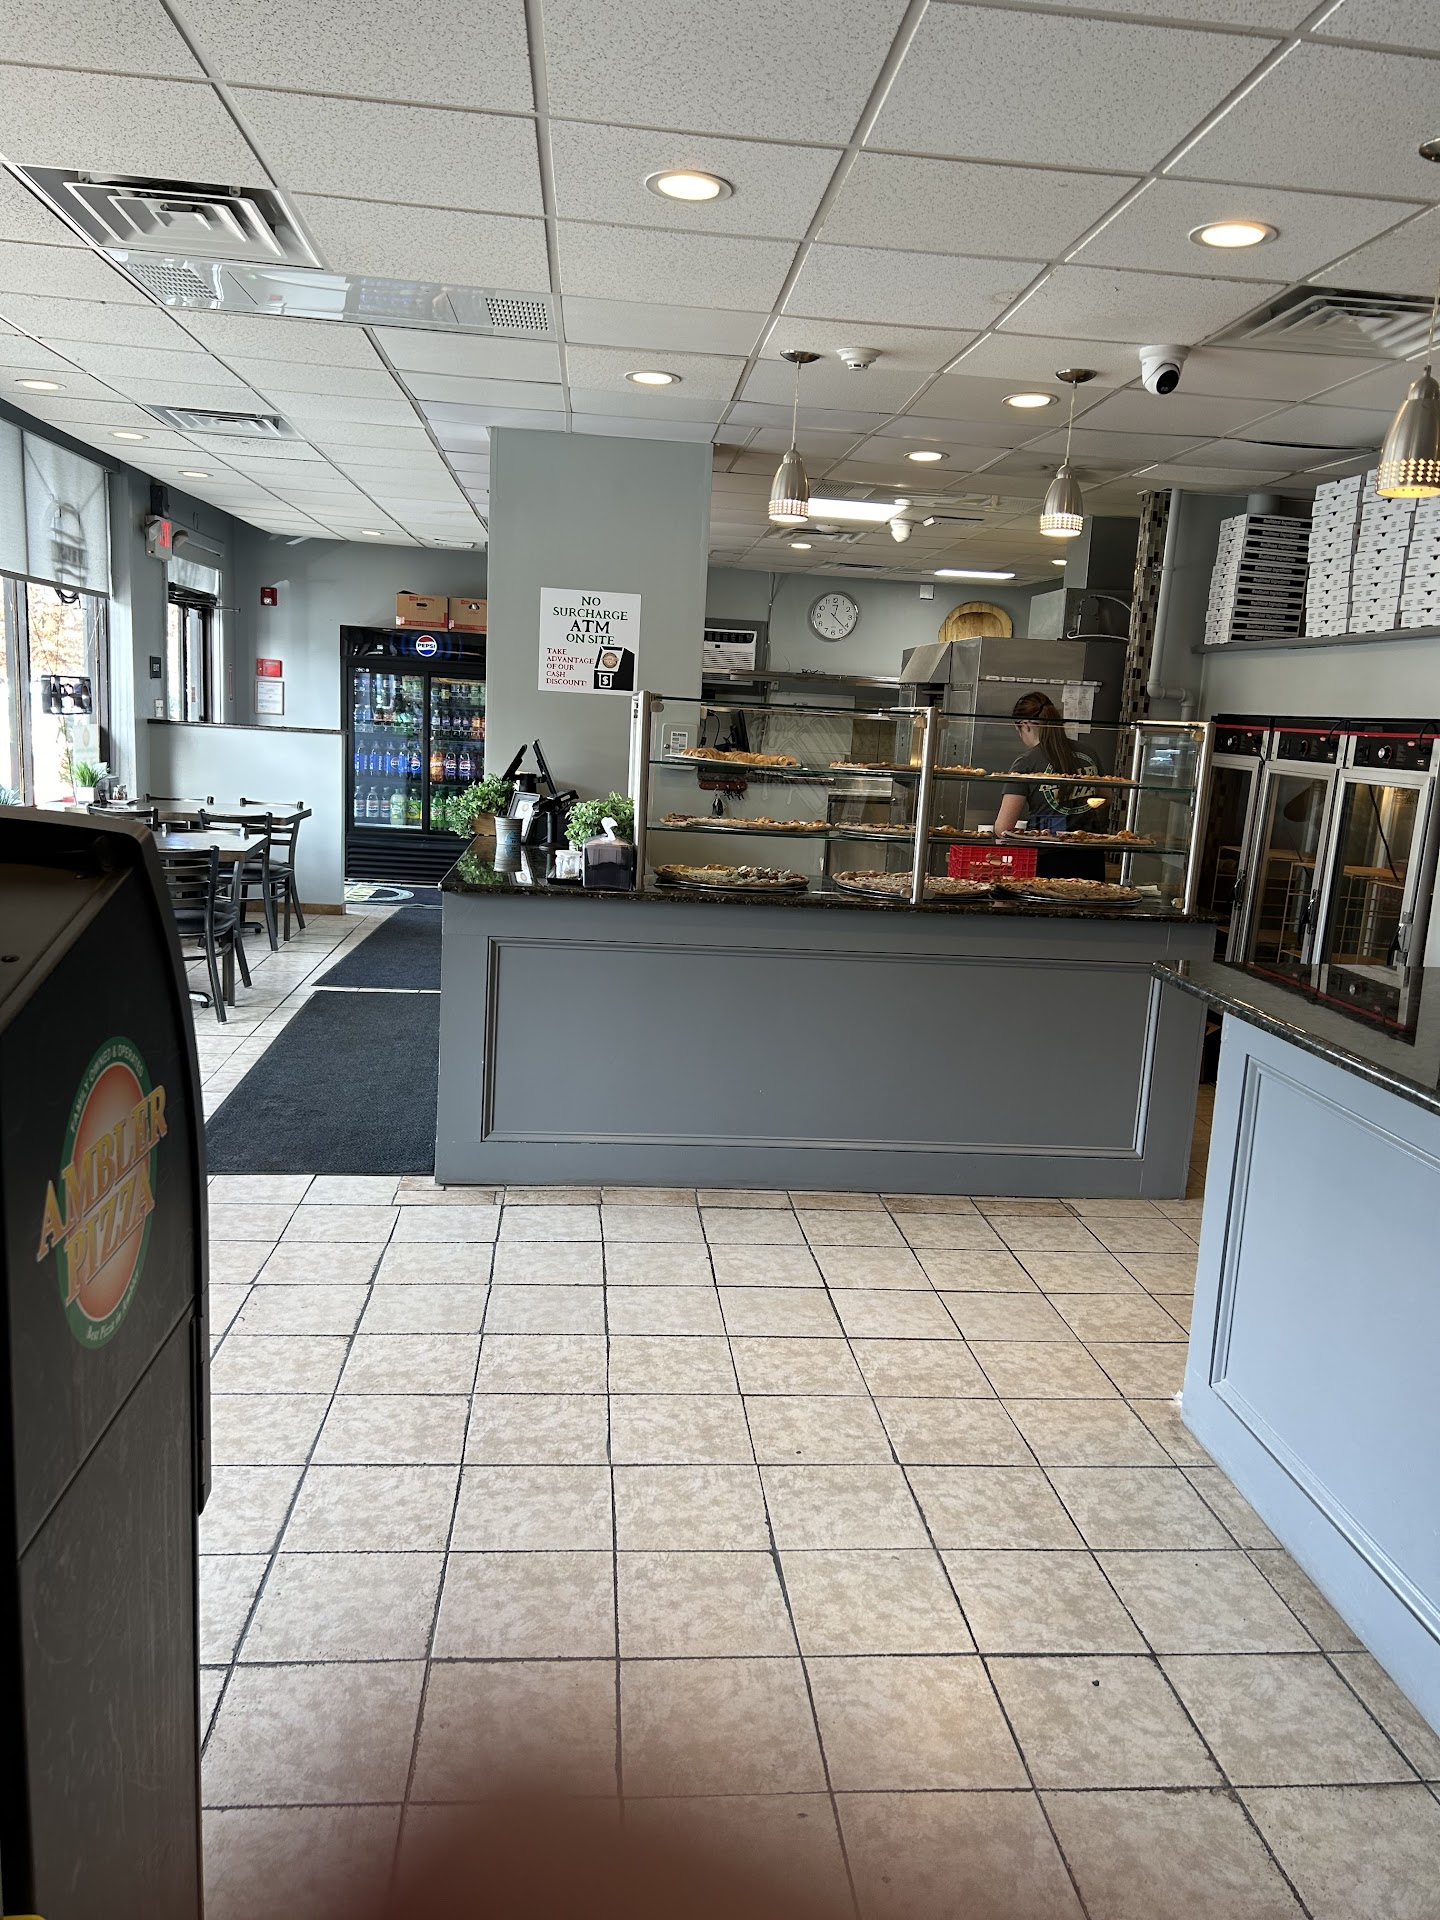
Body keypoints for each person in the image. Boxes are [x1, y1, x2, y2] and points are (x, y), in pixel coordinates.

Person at [993, 690, 1109, 880]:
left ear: (1025, 725)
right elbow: (1105, 798)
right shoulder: (1089, 753)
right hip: (1091, 857)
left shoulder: (1026, 763)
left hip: (1046, 860)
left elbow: (1003, 827)